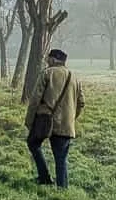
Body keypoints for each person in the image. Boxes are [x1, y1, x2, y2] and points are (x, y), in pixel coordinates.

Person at [27, 47, 83, 188]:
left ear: (52, 59)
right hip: (66, 125)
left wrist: (29, 121)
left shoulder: (47, 73)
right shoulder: (74, 77)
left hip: (44, 120)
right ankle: (62, 189)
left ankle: (44, 177)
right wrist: (71, 118)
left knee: (33, 144)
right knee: (61, 158)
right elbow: (81, 103)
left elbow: (35, 100)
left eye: (48, 59)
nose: (47, 61)